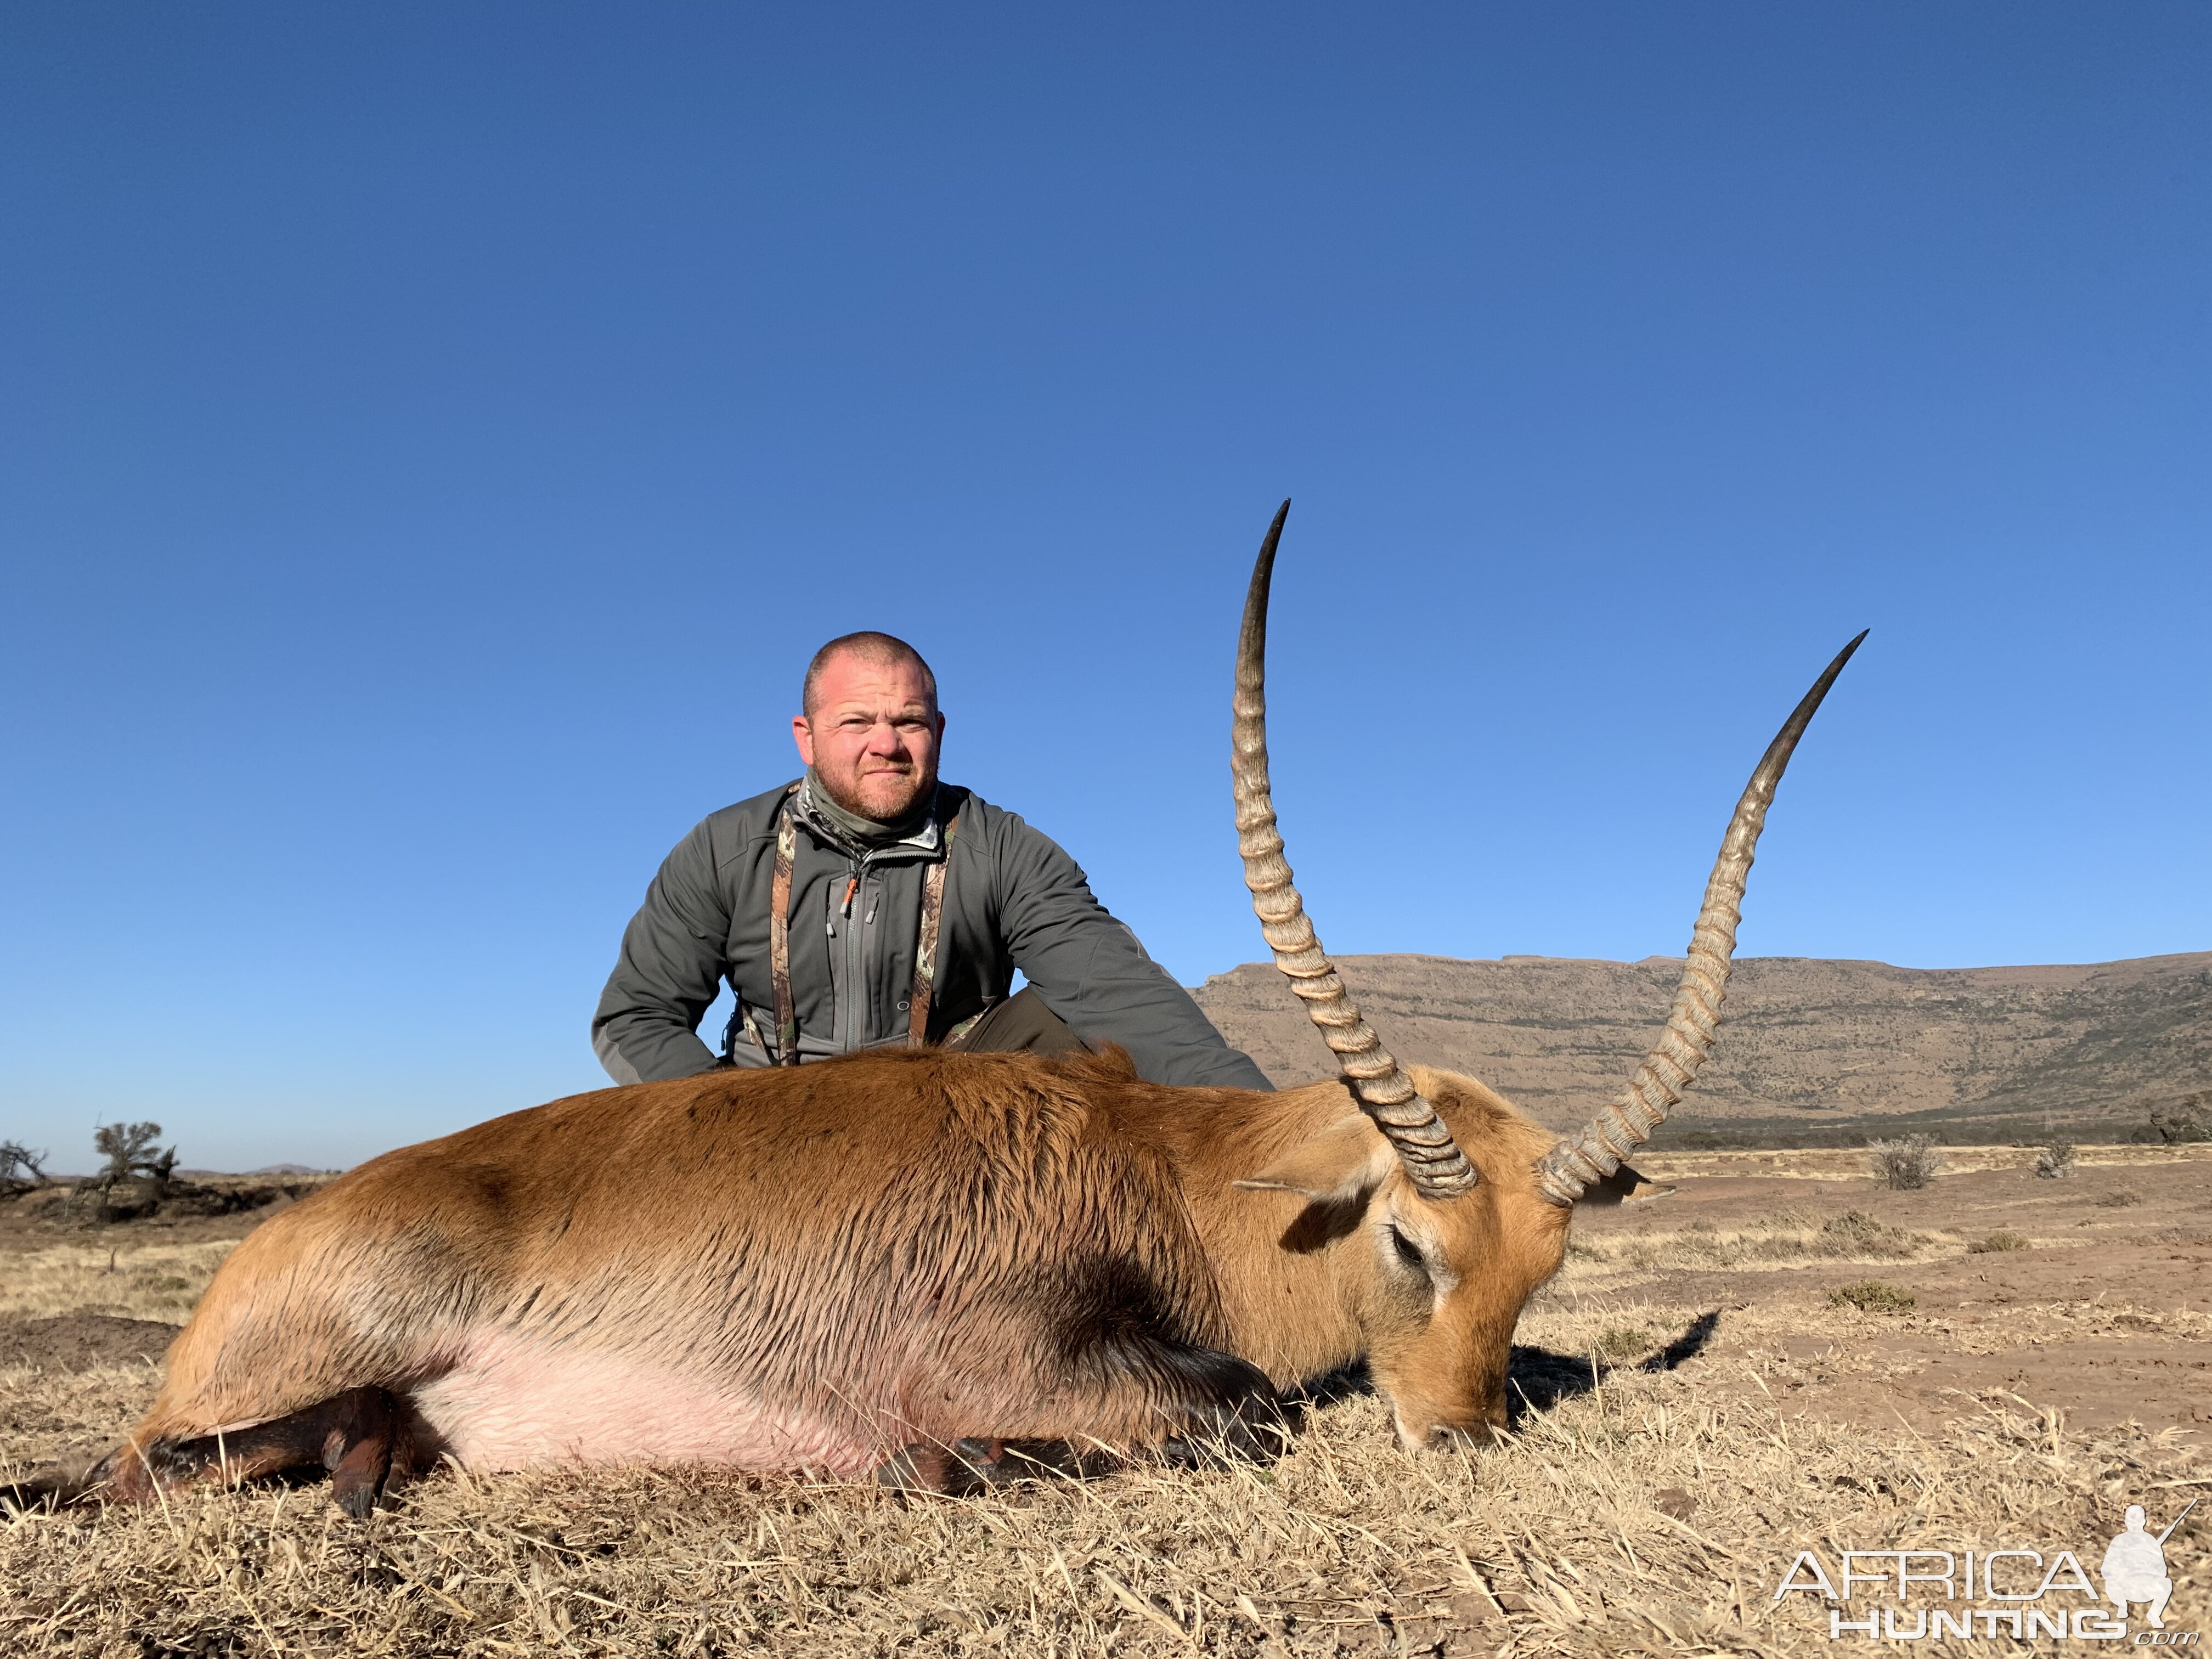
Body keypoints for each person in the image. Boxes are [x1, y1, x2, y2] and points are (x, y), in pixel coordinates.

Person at [592, 630, 1271, 1090]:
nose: (886, 744)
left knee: (1079, 1017)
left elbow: (1121, 996)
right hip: (770, 1113)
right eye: (857, 722)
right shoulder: (724, 846)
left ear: (938, 731)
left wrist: (1264, 1119)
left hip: (951, 1111)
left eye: (909, 721)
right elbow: (636, 1018)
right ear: (806, 737)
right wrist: (729, 1120)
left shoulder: (1003, 848)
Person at [2100, 1505, 2174, 1629]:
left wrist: (2148, 1567)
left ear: (2144, 1522)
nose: (2134, 1525)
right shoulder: (2119, 1541)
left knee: (2166, 1583)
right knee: (2111, 1582)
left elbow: (2162, 1570)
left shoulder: (2150, 1541)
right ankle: (2122, 1607)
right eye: (2131, 1522)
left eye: (2138, 1522)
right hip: (2125, 1586)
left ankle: (2154, 1614)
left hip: (2145, 1586)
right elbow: (2106, 1569)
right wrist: (2123, 1569)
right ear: (2126, 1522)